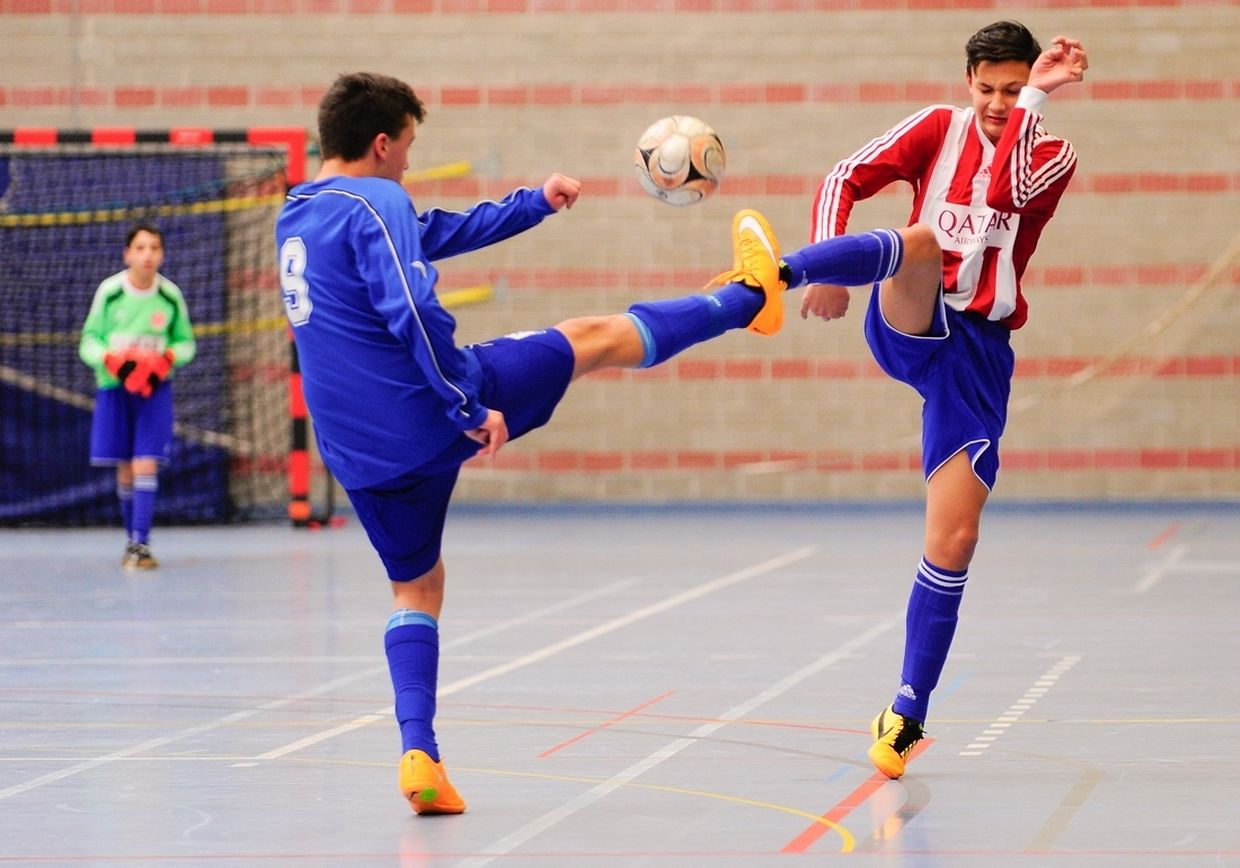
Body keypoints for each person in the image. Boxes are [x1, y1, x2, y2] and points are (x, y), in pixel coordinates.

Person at [276, 71, 938, 815]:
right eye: (408, 149)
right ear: (381, 142)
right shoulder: (380, 198)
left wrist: (532, 204)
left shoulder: (301, 214)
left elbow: (432, 233)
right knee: (589, 339)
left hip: (359, 453)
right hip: (426, 411)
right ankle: (749, 299)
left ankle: (419, 753)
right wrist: (463, 404)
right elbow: (410, 308)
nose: (407, 165)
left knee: (417, 589)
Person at [797, 21, 1089, 778]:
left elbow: (1002, 190)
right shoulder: (936, 129)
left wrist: (1036, 97)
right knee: (922, 240)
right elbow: (843, 178)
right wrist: (828, 263)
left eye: (1010, 89)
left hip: (979, 356)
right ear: (968, 83)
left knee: (954, 540)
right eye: (986, 88)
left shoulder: (1051, 155)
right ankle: (785, 274)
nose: (996, 102)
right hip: (914, 316)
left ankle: (906, 713)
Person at [79, 222, 197, 570]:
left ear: (162, 254)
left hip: (154, 391)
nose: (148, 255)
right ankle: (131, 538)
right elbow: (89, 340)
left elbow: (186, 342)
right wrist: (113, 360)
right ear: (127, 254)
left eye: (155, 248)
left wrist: (166, 359)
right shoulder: (110, 292)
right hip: (116, 389)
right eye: (141, 247)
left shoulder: (170, 296)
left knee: (147, 460)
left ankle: (140, 543)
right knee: (126, 468)